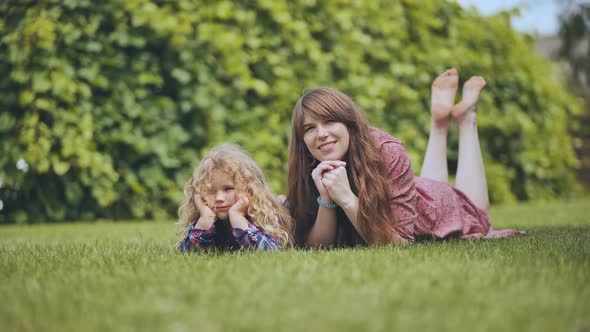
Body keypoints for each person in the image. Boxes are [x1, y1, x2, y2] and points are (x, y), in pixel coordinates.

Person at [287, 68, 525, 248]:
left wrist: (348, 199)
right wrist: (327, 198)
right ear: (302, 140)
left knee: (479, 216)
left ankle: (466, 121)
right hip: (417, 192)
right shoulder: (309, 167)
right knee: (426, 188)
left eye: (329, 121)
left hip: (441, 207)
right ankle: (440, 122)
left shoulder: (385, 150)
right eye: (309, 129)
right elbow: (317, 248)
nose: (321, 134)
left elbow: (400, 243)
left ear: (348, 123)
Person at [177, 143, 293, 252]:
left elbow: (268, 250)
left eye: (228, 189)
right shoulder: (206, 215)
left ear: (249, 189)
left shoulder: (263, 215)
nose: (219, 198)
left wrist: (237, 217)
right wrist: (205, 219)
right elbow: (186, 252)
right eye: (211, 190)